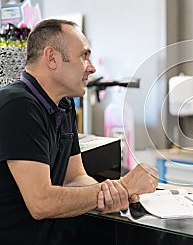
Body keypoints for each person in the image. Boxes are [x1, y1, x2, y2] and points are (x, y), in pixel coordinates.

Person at [0, 19, 158, 244]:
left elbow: (75, 176)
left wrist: (112, 193)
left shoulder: (63, 105)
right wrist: (124, 185)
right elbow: (41, 203)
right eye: (84, 56)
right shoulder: (17, 106)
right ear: (52, 58)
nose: (92, 67)